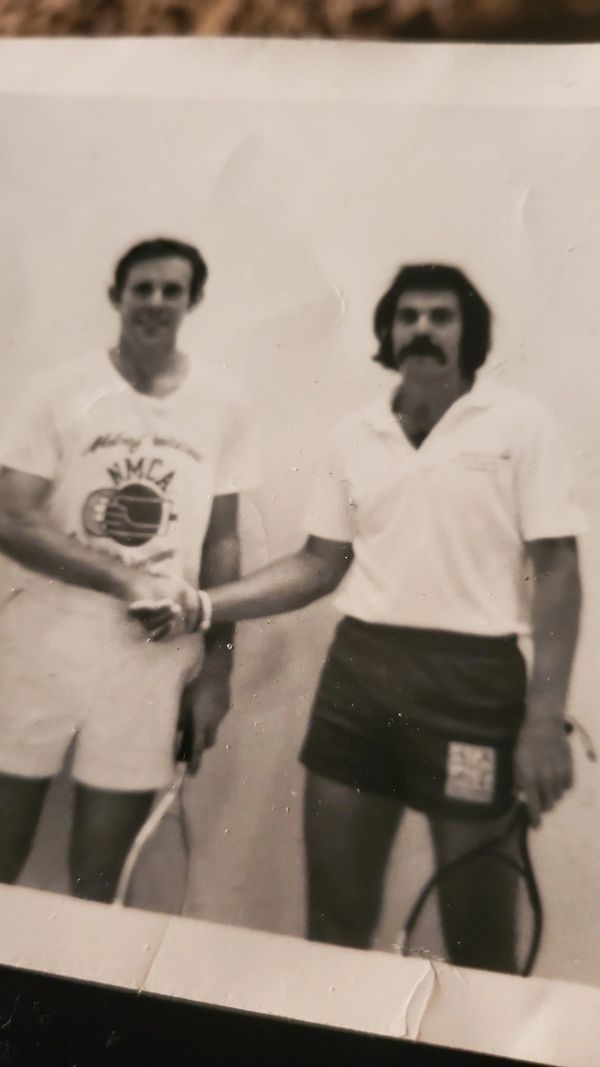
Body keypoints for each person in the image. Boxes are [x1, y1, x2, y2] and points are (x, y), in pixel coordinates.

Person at [140, 262, 585, 974]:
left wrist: (543, 719)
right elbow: (320, 564)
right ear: (388, 332)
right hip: (361, 681)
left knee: (478, 935)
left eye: (441, 316)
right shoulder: (356, 434)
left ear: (469, 332)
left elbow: (558, 571)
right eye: (408, 316)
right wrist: (206, 604)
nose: (422, 329)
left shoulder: (519, 426)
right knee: (336, 919)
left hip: (474, 689)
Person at [0, 236, 258, 903]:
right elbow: (10, 518)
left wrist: (218, 670)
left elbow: (223, 544)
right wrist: (126, 580)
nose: (156, 301)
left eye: (173, 290)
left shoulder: (223, 403)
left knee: (101, 876)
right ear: (117, 296)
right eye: (143, 287)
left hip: (150, 658)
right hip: (41, 642)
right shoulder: (57, 390)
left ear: (193, 301)